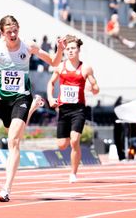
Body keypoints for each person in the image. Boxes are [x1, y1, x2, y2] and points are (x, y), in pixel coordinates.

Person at [0, 15, 65, 202]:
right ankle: (32, 109)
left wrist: (59, 50)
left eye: (15, 29)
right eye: (9, 31)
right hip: (3, 100)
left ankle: (6, 189)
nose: (13, 34)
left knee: (13, 142)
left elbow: (54, 62)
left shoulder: (28, 45)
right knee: (10, 133)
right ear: (2, 33)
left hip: (21, 97)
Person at [47, 35, 99, 183]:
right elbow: (51, 83)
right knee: (62, 145)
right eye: (68, 49)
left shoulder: (85, 68)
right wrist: (50, 98)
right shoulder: (60, 67)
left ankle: (73, 173)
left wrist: (92, 88)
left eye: (73, 48)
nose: (70, 51)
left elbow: (96, 88)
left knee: (74, 141)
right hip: (63, 110)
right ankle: (70, 139)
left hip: (79, 110)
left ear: (78, 50)